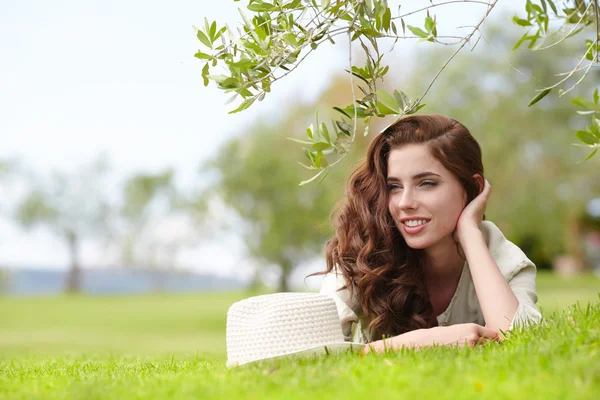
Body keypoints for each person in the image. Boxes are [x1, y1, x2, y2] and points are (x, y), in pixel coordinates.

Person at [312, 114, 542, 354]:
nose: (404, 203)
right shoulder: (364, 249)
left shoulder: (502, 255)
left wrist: (470, 233)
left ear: (472, 188)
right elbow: (314, 350)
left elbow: (520, 340)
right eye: (394, 187)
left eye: (427, 183)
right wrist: (426, 340)